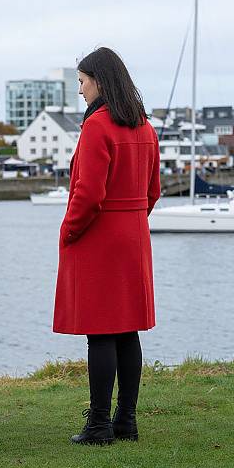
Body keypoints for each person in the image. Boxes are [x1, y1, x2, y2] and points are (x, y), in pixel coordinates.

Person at [53, 47, 161, 445]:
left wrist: (68, 230)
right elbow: (154, 191)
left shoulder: (97, 127)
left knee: (99, 331)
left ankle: (98, 425)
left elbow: (89, 193)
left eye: (82, 81)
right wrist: (131, 222)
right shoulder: (145, 127)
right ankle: (126, 421)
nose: (79, 90)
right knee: (127, 330)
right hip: (133, 235)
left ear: (99, 80)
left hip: (100, 237)